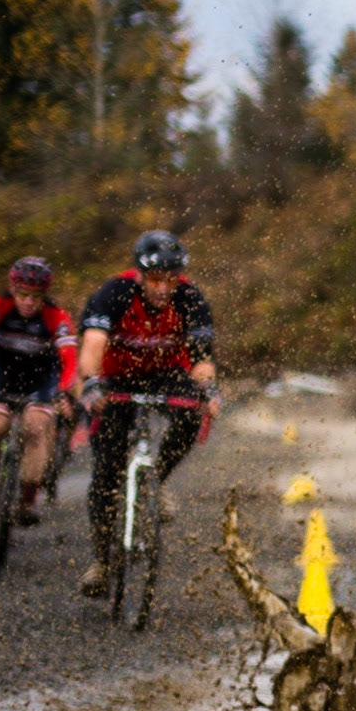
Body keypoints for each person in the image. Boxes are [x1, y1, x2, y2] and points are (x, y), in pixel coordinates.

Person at [76, 231, 221, 597]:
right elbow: (92, 345)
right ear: (140, 274)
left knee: (192, 414)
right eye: (156, 279)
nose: (163, 288)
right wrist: (91, 383)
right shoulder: (115, 293)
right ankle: (101, 562)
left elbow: (202, 358)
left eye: (171, 279)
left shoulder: (189, 297)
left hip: (166, 374)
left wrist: (208, 389)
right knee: (107, 471)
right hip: (116, 376)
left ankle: (156, 478)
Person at [0, 257, 79, 531]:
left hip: (41, 380)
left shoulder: (57, 317)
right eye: (23, 294)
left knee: (36, 430)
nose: (28, 302)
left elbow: (70, 362)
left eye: (36, 296)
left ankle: (27, 503)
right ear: (13, 289)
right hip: (3, 377)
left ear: (45, 296)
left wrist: (63, 393)